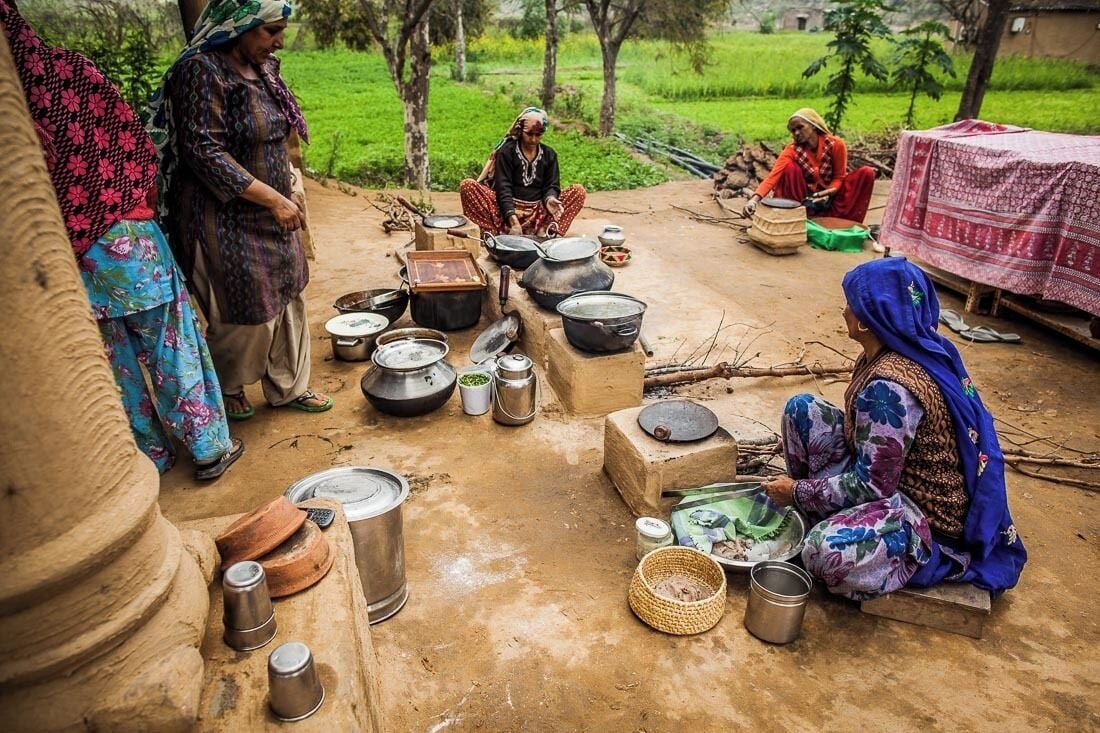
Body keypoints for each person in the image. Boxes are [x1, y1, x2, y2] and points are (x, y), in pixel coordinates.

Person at [2, 0, 243, 480]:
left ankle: (150, 455)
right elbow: (135, 141)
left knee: (119, 364)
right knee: (170, 345)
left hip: (69, 254)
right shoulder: (69, 72)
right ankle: (209, 447)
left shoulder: (14, 102)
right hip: (131, 241)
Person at [760, 257, 1026, 600]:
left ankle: (881, 550)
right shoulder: (896, 349)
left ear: (870, 322)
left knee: (823, 552)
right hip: (889, 479)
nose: (844, 312)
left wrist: (797, 491)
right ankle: (828, 513)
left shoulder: (889, 388)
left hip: (918, 514)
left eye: (851, 305)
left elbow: (872, 486)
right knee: (803, 409)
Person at [148, 0, 331, 421]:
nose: (279, 40)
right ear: (238, 26)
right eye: (271, 31)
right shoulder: (201, 71)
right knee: (246, 305)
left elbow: (273, 136)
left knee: (289, 294)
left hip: (274, 208)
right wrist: (273, 198)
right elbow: (203, 150)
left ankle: (290, 386)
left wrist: (288, 189)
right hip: (223, 216)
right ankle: (230, 385)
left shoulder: (265, 68)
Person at [459, 107, 586, 237]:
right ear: (520, 131)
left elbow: (552, 185)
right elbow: (503, 188)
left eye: (538, 135)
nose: (533, 140)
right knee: (468, 186)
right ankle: (494, 233)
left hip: (539, 210)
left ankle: (545, 230)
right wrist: (513, 221)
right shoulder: (507, 152)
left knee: (578, 191)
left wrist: (550, 199)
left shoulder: (549, 154)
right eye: (529, 134)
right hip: (506, 209)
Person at [742, 108, 876, 224]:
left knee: (866, 173)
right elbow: (773, 177)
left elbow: (839, 177)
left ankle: (841, 221)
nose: (796, 133)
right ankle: (800, 217)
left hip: (832, 195)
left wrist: (828, 192)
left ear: (813, 125)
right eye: (793, 130)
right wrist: (753, 200)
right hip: (806, 199)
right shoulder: (792, 150)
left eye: (800, 127)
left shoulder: (836, 144)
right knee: (790, 168)